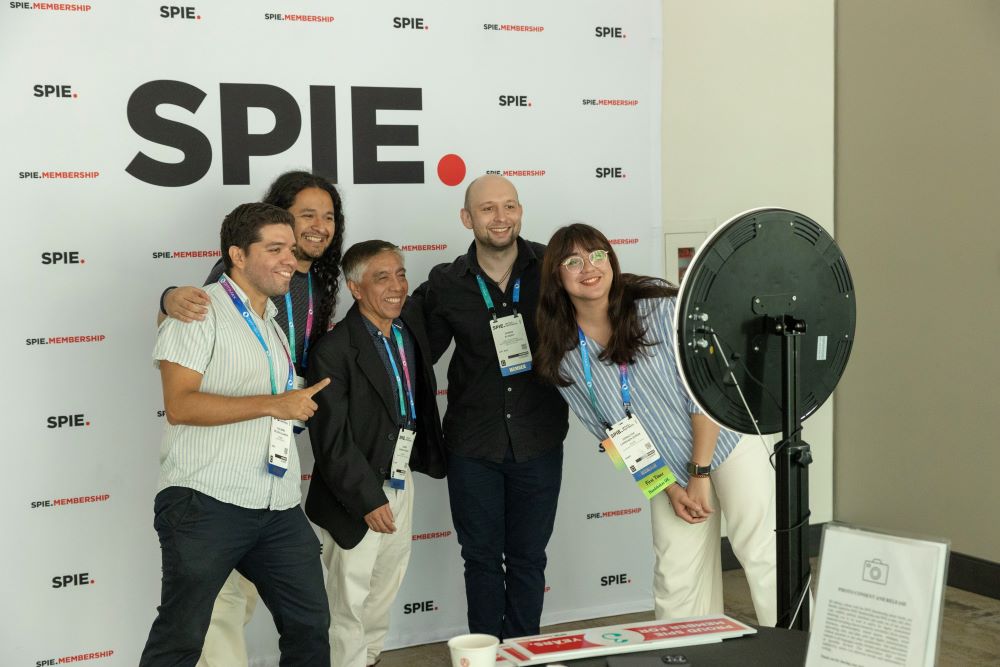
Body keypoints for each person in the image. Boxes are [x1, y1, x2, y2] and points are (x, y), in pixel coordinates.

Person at [533, 223, 777, 626]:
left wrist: (699, 473)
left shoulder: (660, 309)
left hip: (728, 439)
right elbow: (611, 437)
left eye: (597, 255)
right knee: (675, 577)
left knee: (762, 554)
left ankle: (799, 651)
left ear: (611, 260)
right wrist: (666, 487)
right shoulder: (564, 355)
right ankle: (690, 655)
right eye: (572, 261)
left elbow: (706, 393)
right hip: (668, 469)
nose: (588, 268)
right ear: (557, 277)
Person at [156, 171, 346, 666]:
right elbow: (180, 405)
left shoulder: (273, 326)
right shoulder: (199, 310)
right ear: (237, 256)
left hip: (277, 504)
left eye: (291, 249)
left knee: (310, 626)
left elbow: (282, 404)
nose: (289, 260)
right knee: (182, 637)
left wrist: (298, 403)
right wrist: (273, 403)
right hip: (206, 502)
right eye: (275, 249)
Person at [414, 175, 569, 640]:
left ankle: (522, 651)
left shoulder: (553, 267)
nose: (500, 218)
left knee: (528, 558)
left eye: (510, 206)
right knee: (480, 558)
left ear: (520, 211)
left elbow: (604, 305)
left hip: (538, 440)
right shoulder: (445, 283)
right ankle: (484, 653)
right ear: (467, 218)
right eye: (487, 209)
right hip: (472, 444)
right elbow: (410, 350)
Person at [305, 240, 447, 667]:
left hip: (401, 482)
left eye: (401, 274)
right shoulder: (333, 350)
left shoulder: (406, 333)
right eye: (381, 277)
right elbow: (331, 440)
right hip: (356, 495)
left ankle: (369, 659)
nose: (396, 285)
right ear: (355, 287)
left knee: (385, 589)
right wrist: (368, 499)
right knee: (349, 598)